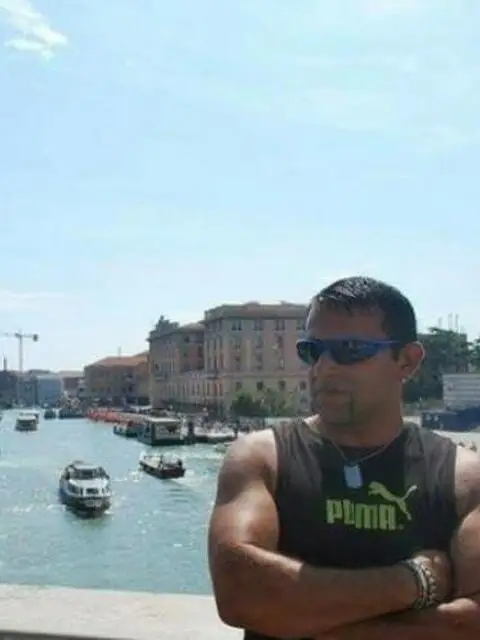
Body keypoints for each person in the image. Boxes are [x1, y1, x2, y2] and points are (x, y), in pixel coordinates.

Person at [208, 276, 480, 640]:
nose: (324, 367)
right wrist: (414, 581)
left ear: (407, 361)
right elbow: (241, 593)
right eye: (313, 351)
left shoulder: (464, 480)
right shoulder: (262, 459)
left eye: (351, 349)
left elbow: (471, 625)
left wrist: (300, 618)